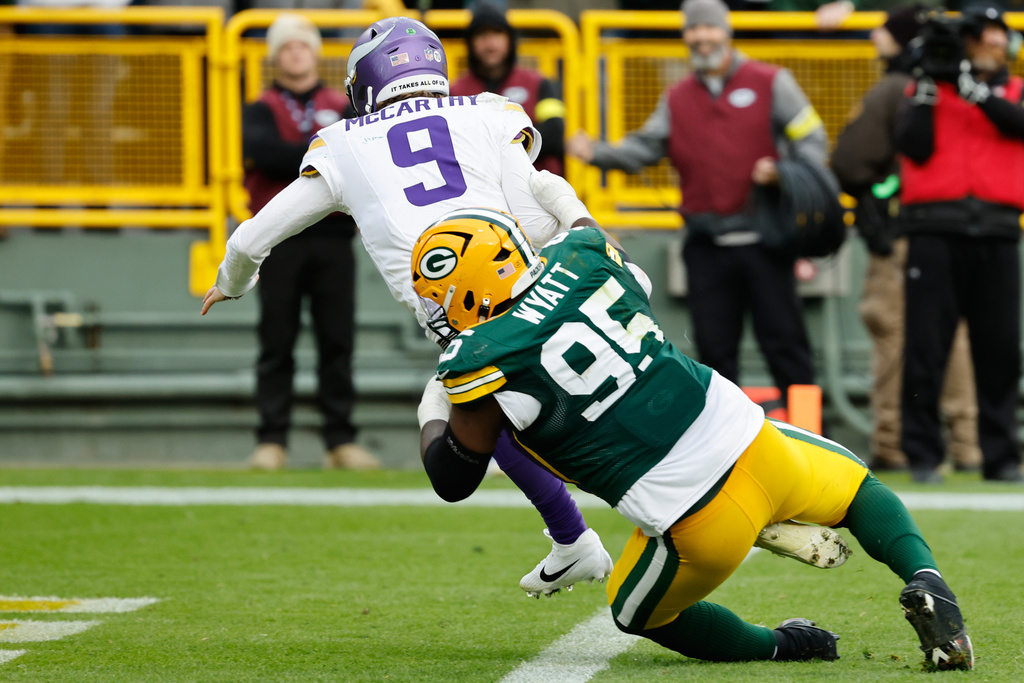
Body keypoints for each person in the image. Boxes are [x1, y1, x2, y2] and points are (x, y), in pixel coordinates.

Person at [411, 185, 973, 670]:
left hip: (695, 518)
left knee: (633, 611)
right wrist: (554, 192)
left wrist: (434, 400)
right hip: (753, 440)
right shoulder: (582, 256)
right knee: (858, 489)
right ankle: (925, 575)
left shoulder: (482, 359)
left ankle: (784, 646)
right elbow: (589, 230)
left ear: (467, 292)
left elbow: (452, 478)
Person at [204, 16, 615, 596]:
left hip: (469, 326)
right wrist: (584, 234)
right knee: (529, 408)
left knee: (455, 429)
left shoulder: (344, 143)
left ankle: (580, 538)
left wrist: (232, 280)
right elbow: (540, 199)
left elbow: (252, 236)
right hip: (545, 288)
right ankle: (580, 537)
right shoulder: (487, 111)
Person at [566, 0, 824, 408]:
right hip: (706, 246)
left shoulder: (772, 81)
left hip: (767, 243)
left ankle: (818, 443)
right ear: (686, 36)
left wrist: (782, 171)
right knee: (715, 355)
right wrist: (595, 153)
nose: (702, 38)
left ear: (726, 32)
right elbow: (645, 148)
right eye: (694, 30)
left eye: (710, 29)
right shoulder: (678, 97)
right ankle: (728, 452)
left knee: (787, 348)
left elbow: (813, 140)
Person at [832, 5, 982, 475]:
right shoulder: (968, 91)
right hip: (957, 229)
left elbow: (849, 162)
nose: (877, 38)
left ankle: (893, 443)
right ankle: (967, 443)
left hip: (898, 237)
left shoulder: (895, 89)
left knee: (892, 331)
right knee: (954, 336)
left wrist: (875, 193)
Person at [241, 14, 380, 472]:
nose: (295, 52)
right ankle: (271, 440)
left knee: (337, 341)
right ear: (275, 56)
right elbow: (265, 152)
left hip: (333, 239)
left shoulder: (337, 102)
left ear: (315, 52)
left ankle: (340, 440)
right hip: (281, 240)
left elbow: (350, 154)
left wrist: (297, 153)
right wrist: (317, 152)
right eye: (286, 47)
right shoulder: (261, 106)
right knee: (276, 340)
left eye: (302, 45)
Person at [894, 2, 1024, 483]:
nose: (984, 44)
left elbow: (1017, 123)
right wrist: (931, 88)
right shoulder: (925, 89)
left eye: (993, 34)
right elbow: (913, 146)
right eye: (976, 36)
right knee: (926, 348)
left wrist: (975, 92)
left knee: (1001, 352)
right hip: (933, 230)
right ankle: (923, 455)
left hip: (997, 231)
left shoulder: (1013, 91)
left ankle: (1001, 456)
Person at [449, 2, 565, 175]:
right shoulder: (455, 92)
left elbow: (555, 132)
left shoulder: (539, 83)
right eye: (481, 35)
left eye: (497, 33)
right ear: (470, 42)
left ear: (510, 39)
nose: (489, 43)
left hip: (537, 188)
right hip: (481, 194)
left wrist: (494, 146)